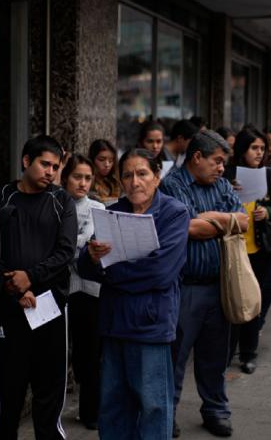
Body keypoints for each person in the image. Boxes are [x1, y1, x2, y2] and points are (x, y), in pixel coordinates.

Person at [78, 148, 190, 439]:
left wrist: (111, 272)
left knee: (154, 407)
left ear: (157, 176)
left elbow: (160, 272)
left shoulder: (174, 214)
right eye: (127, 175)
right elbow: (86, 267)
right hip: (114, 324)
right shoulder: (113, 212)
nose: (135, 182)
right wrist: (92, 257)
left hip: (150, 326)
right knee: (113, 407)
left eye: (142, 173)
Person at [160, 129, 248, 438]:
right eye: (218, 161)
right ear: (197, 157)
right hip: (185, 287)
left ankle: (216, 410)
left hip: (218, 285)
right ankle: (166, 415)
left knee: (215, 356)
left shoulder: (222, 184)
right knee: (176, 357)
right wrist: (221, 221)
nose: (222, 169)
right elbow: (190, 229)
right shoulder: (172, 184)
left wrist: (209, 218)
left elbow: (244, 221)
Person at [0, 135, 78, 440]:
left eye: (55, 167)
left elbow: (65, 252)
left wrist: (31, 277)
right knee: (8, 394)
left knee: (49, 392)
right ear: (26, 161)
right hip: (10, 309)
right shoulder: (0, 197)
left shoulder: (61, 201)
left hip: (50, 307)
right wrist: (14, 285)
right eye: (45, 164)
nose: (51, 172)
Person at [223, 126, 271, 374]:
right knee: (231, 301)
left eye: (262, 148)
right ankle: (228, 351)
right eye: (254, 148)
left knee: (252, 302)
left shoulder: (268, 175)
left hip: (260, 249)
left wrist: (267, 211)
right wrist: (229, 192)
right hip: (233, 248)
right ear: (242, 150)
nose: (259, 153)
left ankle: (249, 353)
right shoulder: (227, 174)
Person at [61, 154, 105, 430]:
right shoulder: (55, 204)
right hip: (60, 288)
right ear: (65, 178)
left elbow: (90, 246)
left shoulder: (97, 208)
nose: (83, 182)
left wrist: (78, 248)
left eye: (88, 178)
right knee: (66, 354)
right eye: (78, 176)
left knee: (89, 354)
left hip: (89, 291)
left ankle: (91, 412)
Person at [89, 139, 121, 205]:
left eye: (110, 161)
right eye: (101, 160)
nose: (107, 164)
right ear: (92, 159)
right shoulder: (88, 180)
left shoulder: (116, 181)